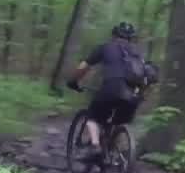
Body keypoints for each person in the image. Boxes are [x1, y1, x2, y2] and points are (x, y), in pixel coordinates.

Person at [66, 22, 158, 161]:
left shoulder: (105, 47)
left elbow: (83, 67)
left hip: (111, 88)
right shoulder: (138, 54)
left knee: (92, 117)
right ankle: (113, 153)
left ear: (114, 34)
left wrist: (73, 81)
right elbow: (148, 75)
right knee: (118, 122)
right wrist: (142, 96)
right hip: (132, 95)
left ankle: (95, 146)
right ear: (131, 38)